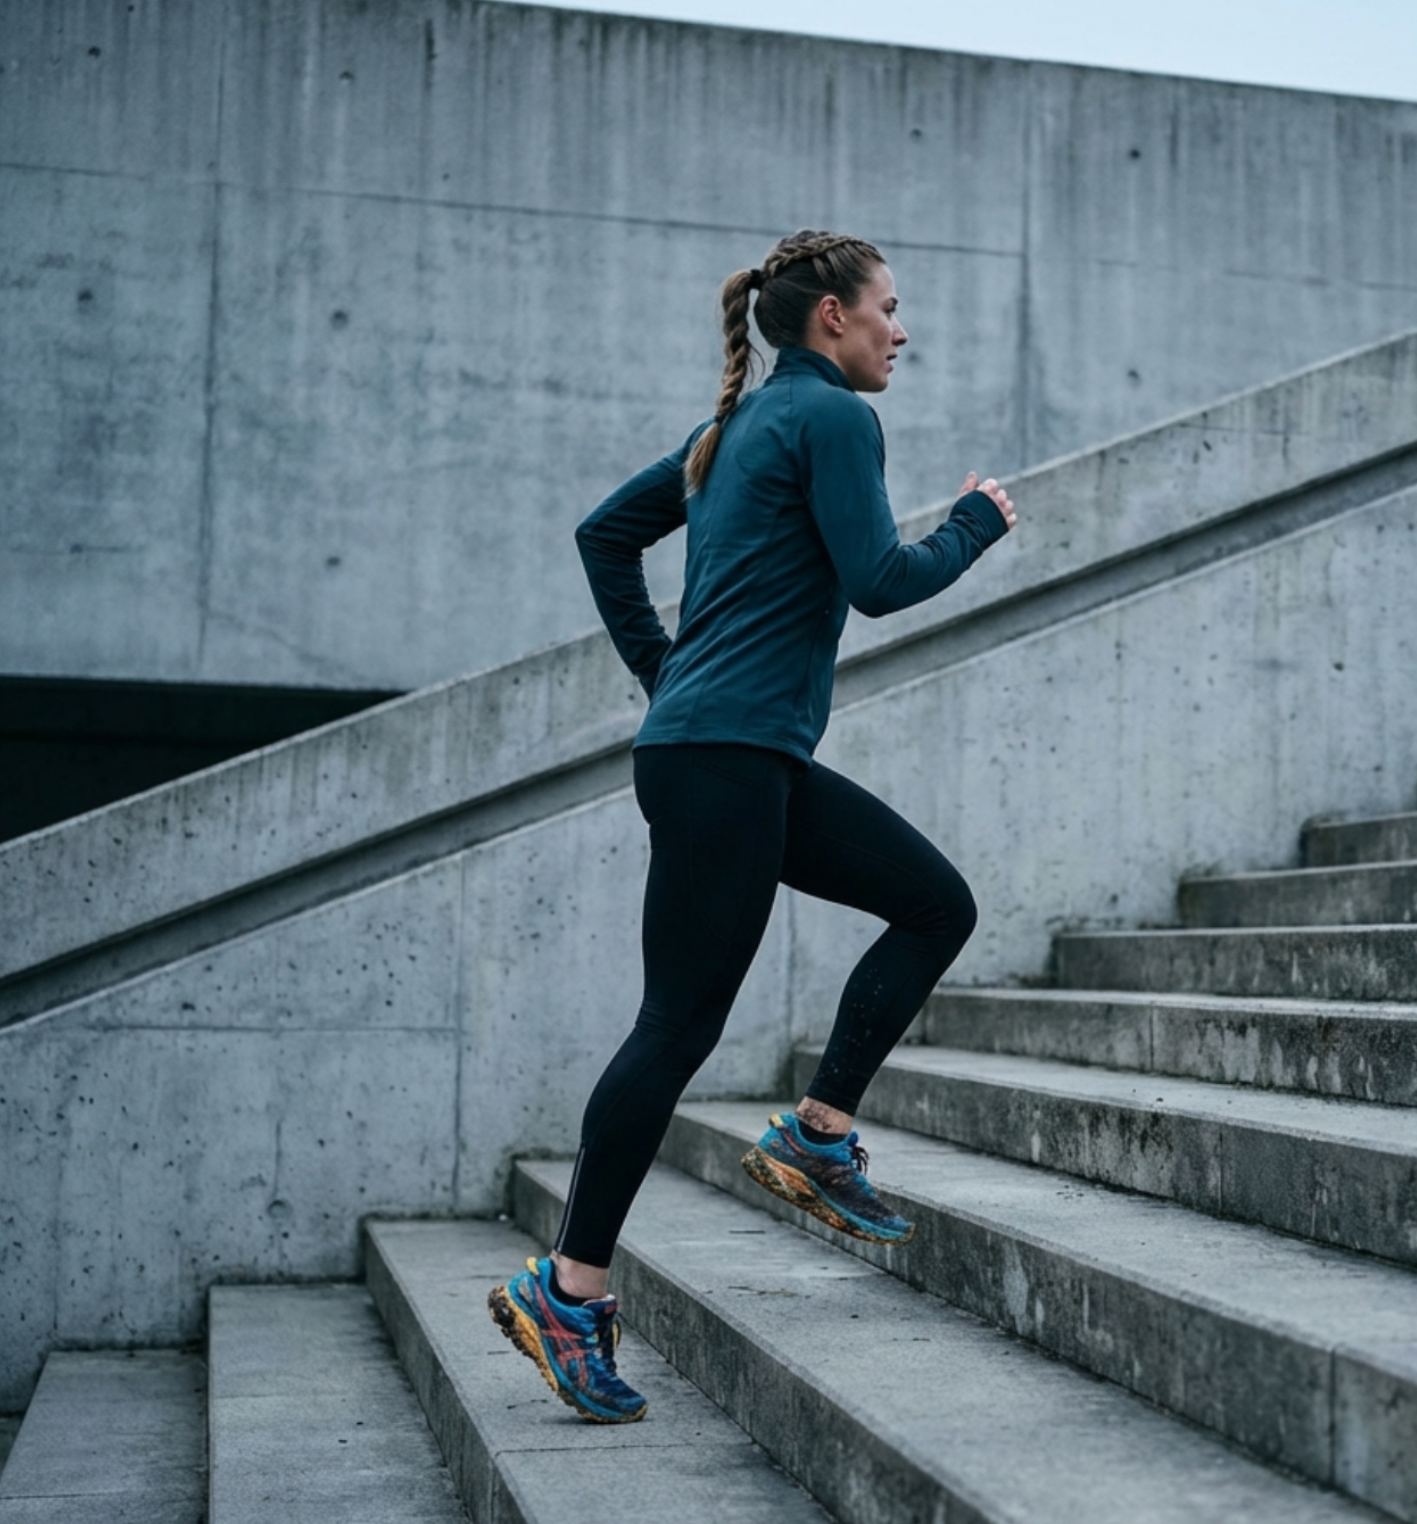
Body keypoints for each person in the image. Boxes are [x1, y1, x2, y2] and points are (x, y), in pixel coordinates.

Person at [487, 230, 1017, 1424]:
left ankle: (817, 1134)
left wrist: (666, 675)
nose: (902, 327)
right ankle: (570, 1292)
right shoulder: (829, 417)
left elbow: (602, 536)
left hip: (730, 758)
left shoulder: (733, 430)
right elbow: (879, 576)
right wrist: (977, 523)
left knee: (936, 903)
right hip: (725, 763)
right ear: (830, 316)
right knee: (674, 1027)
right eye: (890, 306)